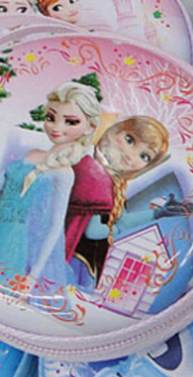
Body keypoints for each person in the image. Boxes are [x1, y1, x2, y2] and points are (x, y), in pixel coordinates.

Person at [0, 80, 102, 292]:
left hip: (18, 245)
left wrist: (33, 275)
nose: (56, 127)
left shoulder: (64, 173)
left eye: (70, 122)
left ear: (89, 127)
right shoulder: (31, 154)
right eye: (51, 118)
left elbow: (55, 227)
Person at [70, 116, 170, 283]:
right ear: (113, 130)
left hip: (89, 260)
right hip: (76, 257)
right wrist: (116, 230)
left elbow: (122, 219)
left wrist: (158, 213)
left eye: (144, 156)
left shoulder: (113, 182)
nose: (131, 155)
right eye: (129, 140)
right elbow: (93, 231)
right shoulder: (94, 173)